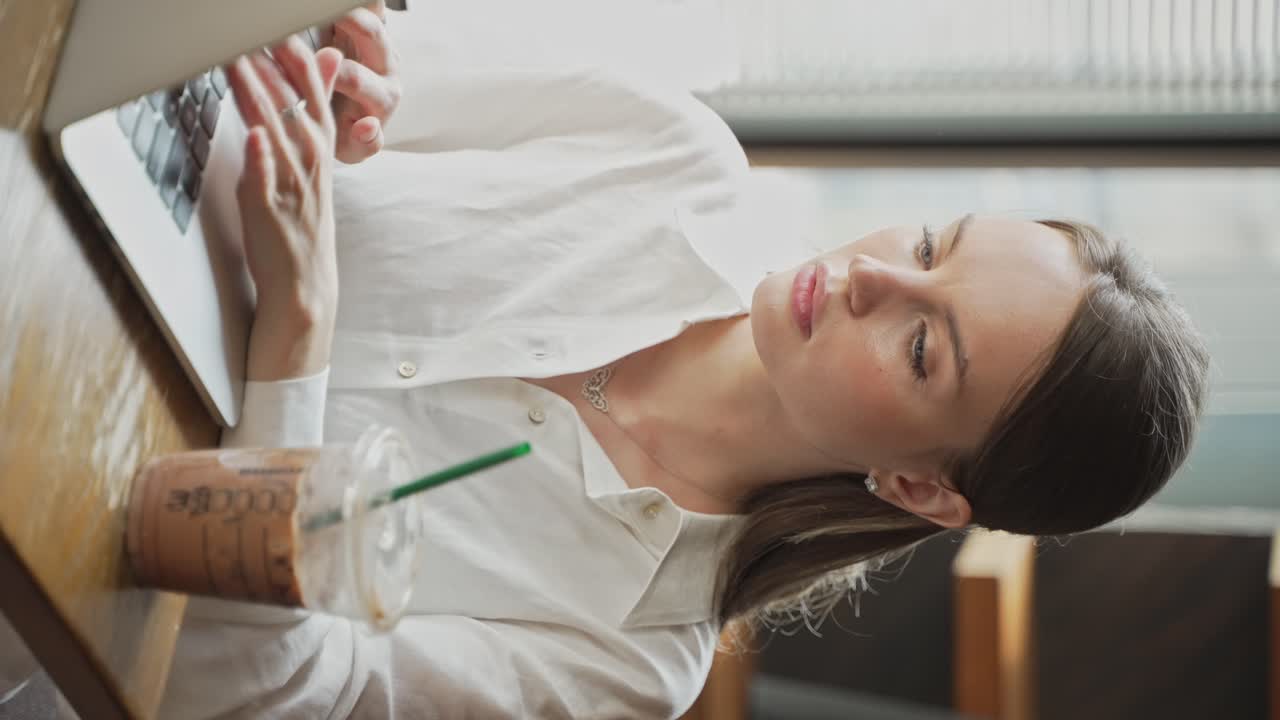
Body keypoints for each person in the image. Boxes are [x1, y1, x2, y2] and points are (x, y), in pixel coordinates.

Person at [160, 6, 1210, 718]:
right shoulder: (669, 151)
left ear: (920, 487)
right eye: (931, 244)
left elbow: (244, 695)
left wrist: (295, 337)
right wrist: (345, 75)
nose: (870, 278)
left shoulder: (625, 661)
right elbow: (343, 74)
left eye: (923, 347)